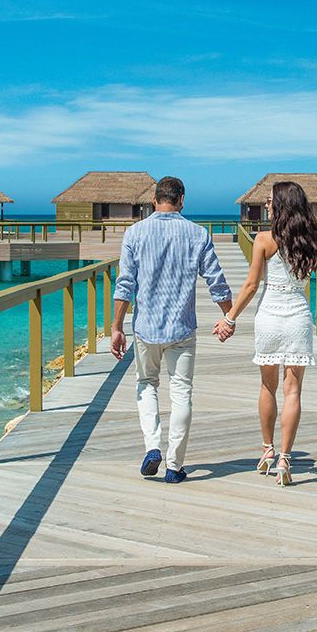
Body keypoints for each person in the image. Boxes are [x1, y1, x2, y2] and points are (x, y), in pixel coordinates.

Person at [111, 176, 233, 483]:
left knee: (146, 384)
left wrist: (116, 327)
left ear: (154, 200)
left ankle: (152, 445)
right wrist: (229, 316)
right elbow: (216, 280)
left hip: (145, 328)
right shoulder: (197, 234)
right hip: (181, 328)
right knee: (181, 393)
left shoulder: (134, 233)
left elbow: (125, 284)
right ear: (181, 200)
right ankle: (174, 465)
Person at [215, 181, 317, 486]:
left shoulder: (264, 239)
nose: (266, 205)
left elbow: (251, 285)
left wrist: (230, 318)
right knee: (293, 391)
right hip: (298, 317)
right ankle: (285, 459)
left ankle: (267, 450)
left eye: (270, 200)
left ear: (280, 204)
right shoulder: (311, 240)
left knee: (267, 387)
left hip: (270, 317)